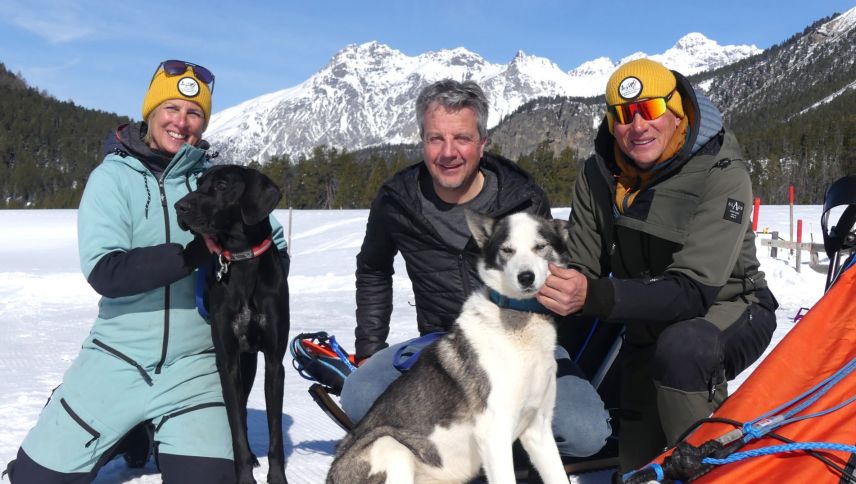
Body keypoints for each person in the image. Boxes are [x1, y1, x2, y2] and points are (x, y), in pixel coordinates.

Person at [6, 60, 289, 483]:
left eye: (194, 113)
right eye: (171, 108)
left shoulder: (210, 181)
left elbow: (272, 241)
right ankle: (119, 425)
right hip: (119, 357)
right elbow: (107, 272)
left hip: (195, 368)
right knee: (34, 480)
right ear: (151, 112)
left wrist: (264, 275)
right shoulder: (112, 178)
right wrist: (192, 255)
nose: (182, 122)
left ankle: (156, 427)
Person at [339, 78, 611, 459]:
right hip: (441, 343)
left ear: (483, 143)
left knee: (585, 433)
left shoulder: (522, 198)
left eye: (462, 139)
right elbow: (373, 269)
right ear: (422, 141)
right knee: (359, 395)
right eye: (436, 139)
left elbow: (551, 274)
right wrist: (369, 349)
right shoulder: (397, 200)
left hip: (521, 341)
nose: (448, 152)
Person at [536, 58, 778, 471]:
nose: (638, 126)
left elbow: (693, 291)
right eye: (623, 115)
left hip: (730, 308)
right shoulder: (599, 173)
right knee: (638, 466)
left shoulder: (722, 172)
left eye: (649, 109)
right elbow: (583, 265)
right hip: (646, 319)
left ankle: (708, 468)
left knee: (683, 350)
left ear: (676, 110)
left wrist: (590, 294)